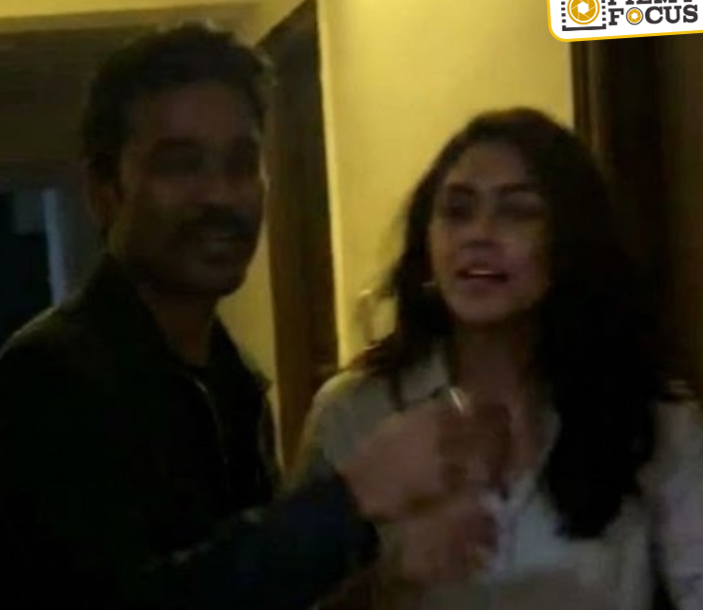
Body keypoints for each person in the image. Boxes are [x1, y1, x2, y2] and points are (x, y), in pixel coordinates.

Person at [0, 23, 506, 610]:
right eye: (181, 165)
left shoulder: (232, 377)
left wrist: (388, 576)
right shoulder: (50, 375)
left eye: (242, 164)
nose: (220, 195)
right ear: (104, 192)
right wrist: (354, 494)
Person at [295, 108, 703, 610]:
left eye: (517, 212)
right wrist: (391, 578)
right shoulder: (353, 413)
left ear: (569, 243)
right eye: (457, 211)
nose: (479, 234)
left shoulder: (653, 417)